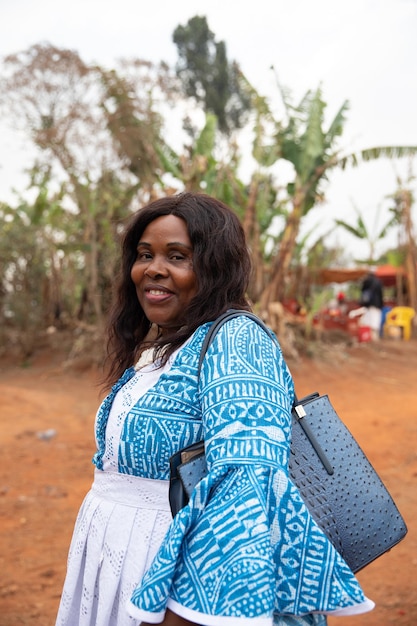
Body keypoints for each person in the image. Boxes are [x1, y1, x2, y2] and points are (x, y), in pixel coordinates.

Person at [55, 192, 374, 626]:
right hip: (122, 562)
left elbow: (246, 481)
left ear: (214, 267)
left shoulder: (237, 341)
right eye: (144, 254)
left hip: (178, 586)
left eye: (177, 256)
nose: (153, 268)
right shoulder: (170, 346)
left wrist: (186, 612)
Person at [359, 271, 384, 340]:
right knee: (375, 320)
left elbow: (362, 292)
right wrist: (381, 304)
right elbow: (381, 294)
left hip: (367, 304)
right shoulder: (378, 282)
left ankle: (368, 336)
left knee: (368, 320)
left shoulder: (366, 282)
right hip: (377, 305)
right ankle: (374, 336)